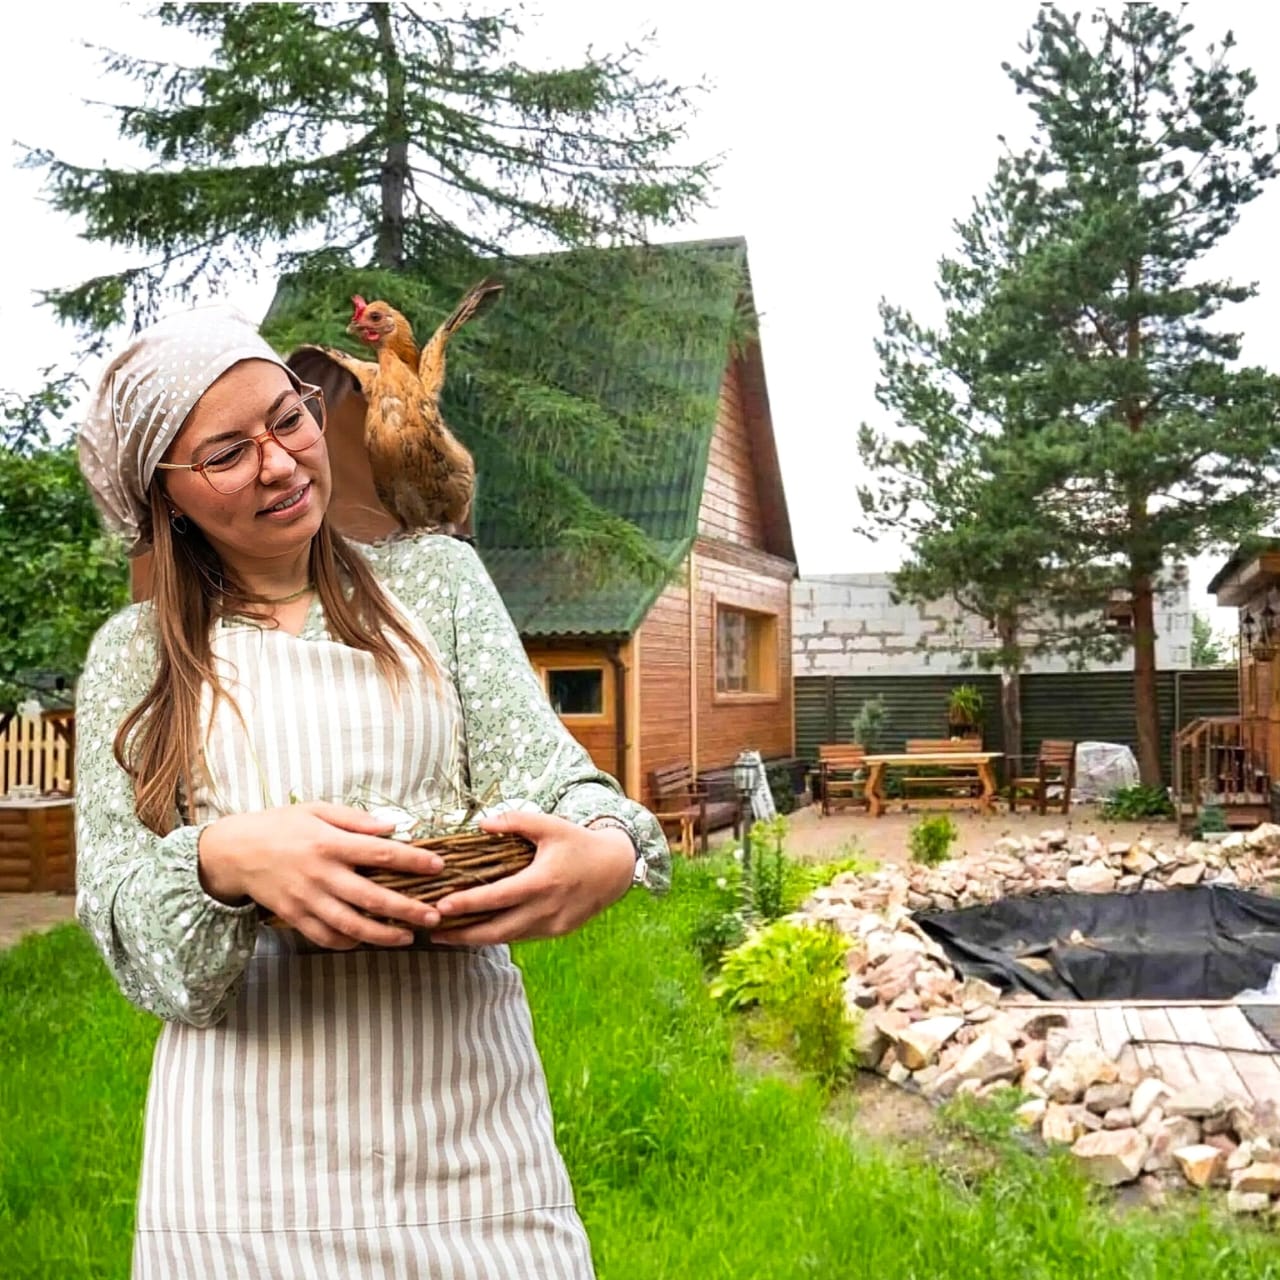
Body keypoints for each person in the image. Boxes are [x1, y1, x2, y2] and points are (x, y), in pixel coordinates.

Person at [74, 304, 670, 1278]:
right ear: (164, 495)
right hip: (241, 1172)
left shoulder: (436, 583)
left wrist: (602, 844)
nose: (280, 462)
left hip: (471, 1144)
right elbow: (131, 936)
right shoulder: (134, 659)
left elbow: (557, 779)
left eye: (289, 417)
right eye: (227, 451)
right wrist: (225, 859)